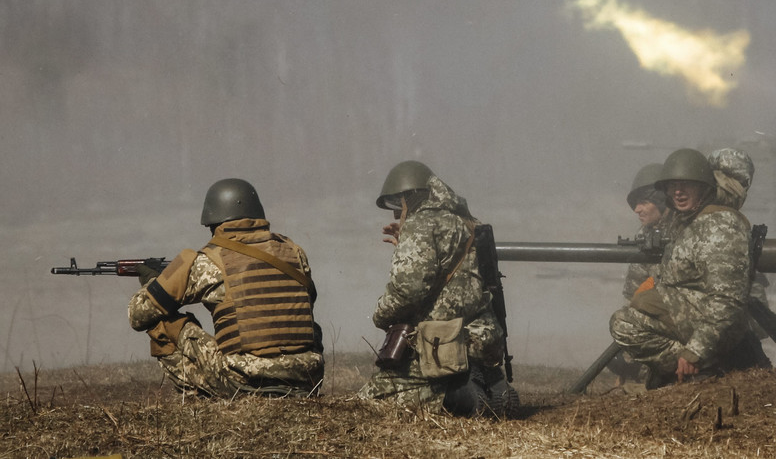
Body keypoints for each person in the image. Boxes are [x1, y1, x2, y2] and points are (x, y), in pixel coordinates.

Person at [127, 178, 324, 397]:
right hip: (307, 378)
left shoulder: (209, 261)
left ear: (214, 223)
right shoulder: (295, 252)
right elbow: (308, 301)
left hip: (243, 382)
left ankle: (201, 399)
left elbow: (139, 315)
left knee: (165, 326)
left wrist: (154, 283)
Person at [358, 160, 516, 417]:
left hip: (441, 346)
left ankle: (461, 395)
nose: (398, 214)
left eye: (400, 204)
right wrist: (406, 246)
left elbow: (407, 291)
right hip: (479, 338)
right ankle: (485, 381)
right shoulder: (467, 222)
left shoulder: (420, 224)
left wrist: (380, 315)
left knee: (374, 397)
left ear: (410, 197)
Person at [609, 148, 760, 388]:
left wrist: (694, 352)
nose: (678, 192)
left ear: (703, 186)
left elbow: (727, 300)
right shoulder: (690, 223)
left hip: (718, 328)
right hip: (700, 320)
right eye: (672, 186)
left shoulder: (720, 225)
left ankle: (705, 368)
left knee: (626, 324)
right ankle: (689, 369)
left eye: (686, 185)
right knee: (625, 320)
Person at [620, 163, 668, 300]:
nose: (637, 210)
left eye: (644, 202)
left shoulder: (685, 232)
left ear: (662, 201)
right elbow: (633, 293)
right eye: (636, 203)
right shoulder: (646, 234)